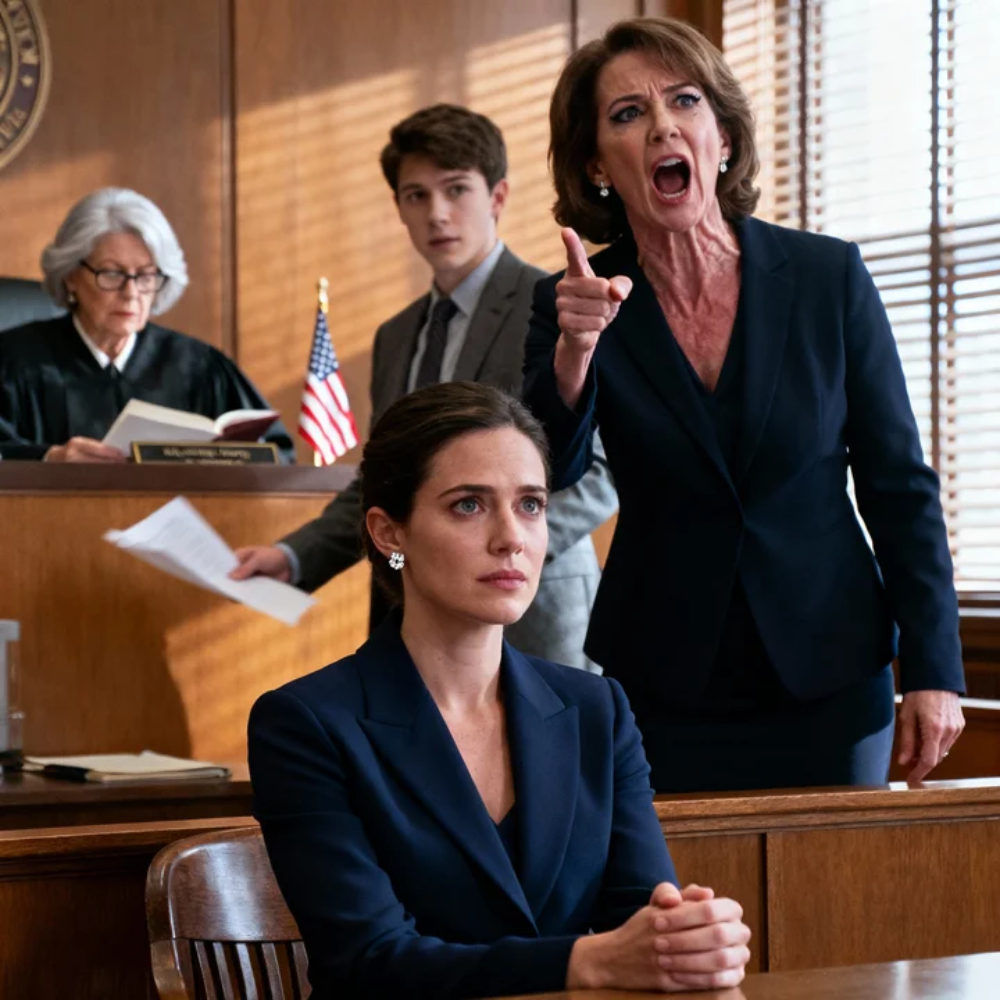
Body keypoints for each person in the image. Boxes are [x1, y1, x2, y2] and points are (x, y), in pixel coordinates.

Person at [522, 17, 965, 793]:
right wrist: (575, 351)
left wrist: (934, 667)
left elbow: (899, 485)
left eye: (684, 101)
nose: (662, 125)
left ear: (721, 138)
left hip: (831, 672)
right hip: (664, 682)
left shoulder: (828, 277)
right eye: (628, 113)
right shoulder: (572, 301)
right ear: (597, 165)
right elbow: (546, 470)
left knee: (837, 876)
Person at [249, 381, 751, 1000]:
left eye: (531, 504)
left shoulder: (597, 708)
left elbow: (642, 919)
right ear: (389, 532)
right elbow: (370, 961)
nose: (512, 537)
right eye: (469, 505)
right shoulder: (305, 722)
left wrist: (690, 939)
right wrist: (586, 961)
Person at [232, 104, 616, 669]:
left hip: (534, 614)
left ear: (498, 197)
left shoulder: (560, 308)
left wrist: (487, 552)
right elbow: (385, 480)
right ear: (400, 209)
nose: (436, 214)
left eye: (456, 189)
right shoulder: (395, 336)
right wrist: (293, 557)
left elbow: (603, 473)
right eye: (416, 196)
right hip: (414, 620)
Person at [0, 188, 293, 462]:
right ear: (71, 276)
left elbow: (277, 453)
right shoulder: (13, 361)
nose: (131, 293)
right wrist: (48, 459)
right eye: (112, 273)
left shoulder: (199, 367)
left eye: (145, 276)